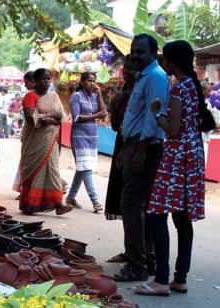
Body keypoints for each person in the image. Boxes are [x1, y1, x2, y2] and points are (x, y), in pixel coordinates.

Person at [134, 40, 214, 296]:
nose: (162, 63)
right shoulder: (193, 86)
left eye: (164, 59)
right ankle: (180, 277)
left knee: (157, 214)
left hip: (177, 155)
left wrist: (158, 113)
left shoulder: (179, 89)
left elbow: (173, 129)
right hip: (192, 153)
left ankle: (161, 279)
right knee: (182, 217)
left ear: (171, 62)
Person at [114, 34, 170, 282]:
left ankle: (137, 265)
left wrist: (140, 151)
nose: (135, 56)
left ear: (153, 53)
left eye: (140, 52)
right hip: (134, 145)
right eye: (133, 51)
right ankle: (144, 259)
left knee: (132, 205)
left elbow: (153, 119)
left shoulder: (155, 77)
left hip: (144, 146)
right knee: (137, 205)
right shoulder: (143, 75)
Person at [17, 68, 73, 216]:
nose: (47, 82)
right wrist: (49, 117)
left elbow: (61, 116)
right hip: (35, 142)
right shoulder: (30, 96)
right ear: (35, 81)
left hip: (51, 140)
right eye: (43, 79)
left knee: (53, 170)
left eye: (49, 79)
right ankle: (29, 204)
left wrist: (47, 117)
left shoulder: (53, 96)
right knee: (34, 172)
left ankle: (58, 203)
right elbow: (30, 118)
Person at [67, 71, 108, 213]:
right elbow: (76, 117)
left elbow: (104, 112)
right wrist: (96, 115)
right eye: (89, 81)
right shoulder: (76, 96)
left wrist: (100, 95)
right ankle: (95, 200)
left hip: (92, 136)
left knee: (82, 167)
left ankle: (71, 197)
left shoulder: (95, 96)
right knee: (86, 168)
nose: (92, 83)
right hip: (79, 136)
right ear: (82, 82)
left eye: (94, 81)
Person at [104, 66, 138, 231]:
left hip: (138, 144)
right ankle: (132, 247)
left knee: (134, 198)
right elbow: (115, 125)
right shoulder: (121, 97)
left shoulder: (143, 91)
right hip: (124, 142)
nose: (128, 72)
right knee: (124, 195)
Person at [13, 71, 39, 195]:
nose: (25, 85)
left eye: (26, 82)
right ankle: (26, 190)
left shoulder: (43, 96)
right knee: (28, 162)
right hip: (32, 132)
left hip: (37, 133)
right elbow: (30, 117)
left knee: (29, 162)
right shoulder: (30, 96)